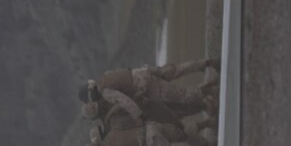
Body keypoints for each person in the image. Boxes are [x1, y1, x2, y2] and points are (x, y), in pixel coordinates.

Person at [80, 58, 220, 111]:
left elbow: (125, 101)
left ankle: (209, 89)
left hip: (147, 86)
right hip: (146, 71)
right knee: (177, 70)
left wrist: (138, 116)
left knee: (183, 96)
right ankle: (205, 63)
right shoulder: (105, 76)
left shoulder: (106, 92)